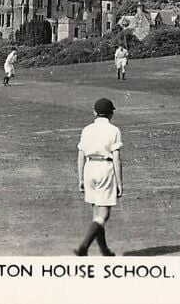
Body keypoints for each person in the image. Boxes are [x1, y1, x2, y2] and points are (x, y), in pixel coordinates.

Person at [75, 97, 123, 257]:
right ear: (111, 114)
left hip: (89, 168)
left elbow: (80, 155)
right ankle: (84, 246)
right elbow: (116, 157)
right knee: (104, 214)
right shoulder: (114, 130)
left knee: (96, 213)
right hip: (105, 168)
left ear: (95, 113)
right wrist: (120, 182)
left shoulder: (87, 129)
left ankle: (104, 250)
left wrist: (80, 178)